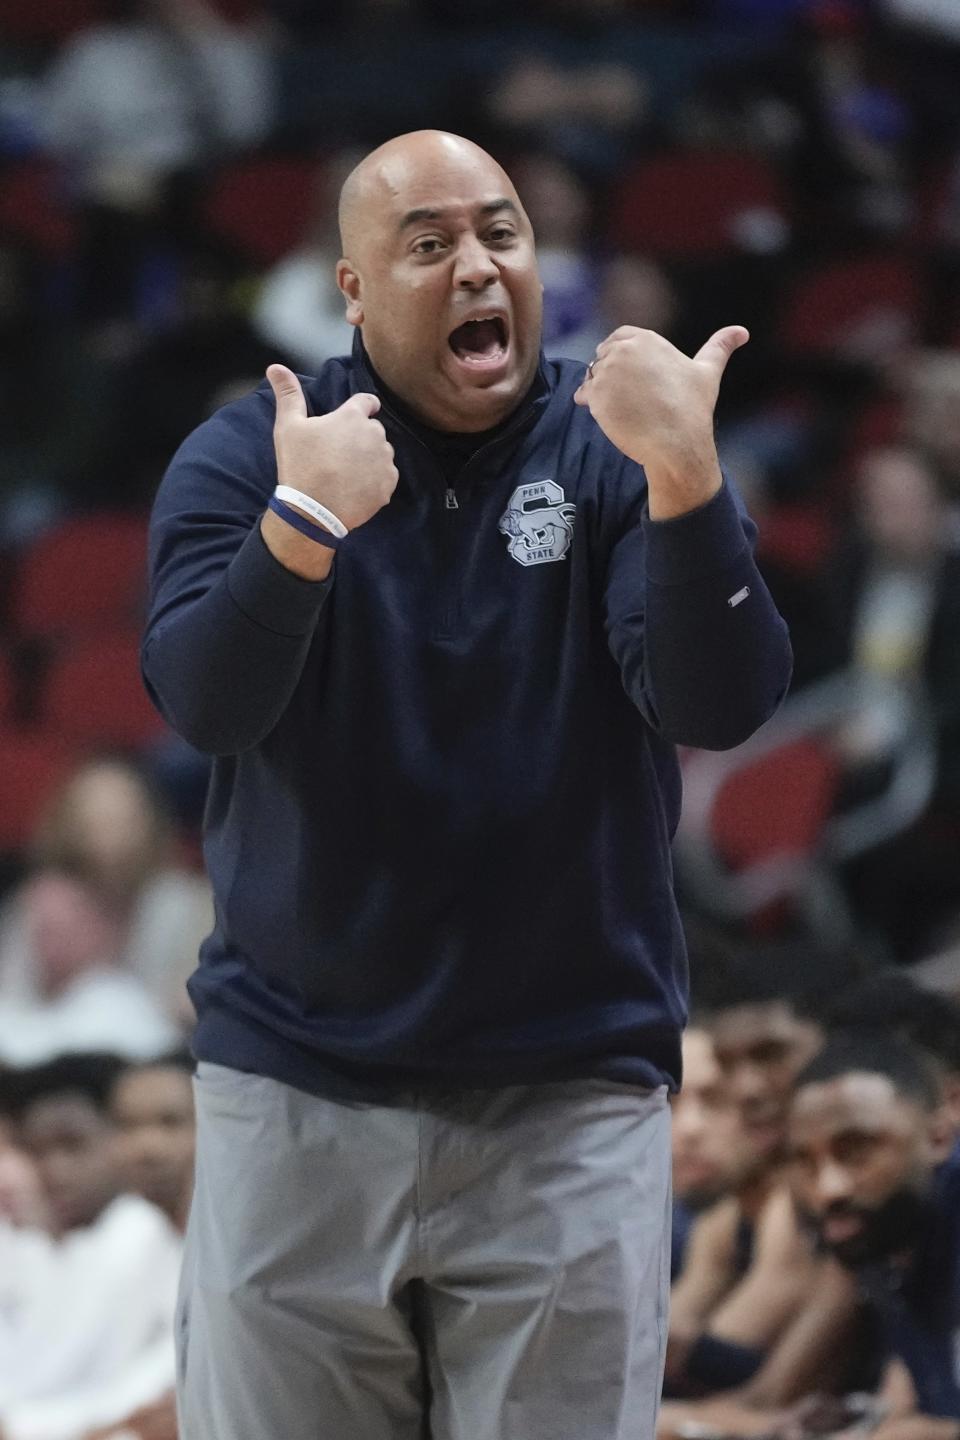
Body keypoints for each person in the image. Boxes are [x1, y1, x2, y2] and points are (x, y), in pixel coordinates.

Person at [142, 129, 792, 1440]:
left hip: (566, 1095)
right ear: (354, 289)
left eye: (501, 233)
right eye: (429, 245)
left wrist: (689, 478)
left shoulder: (619, 450)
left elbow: (717, 702)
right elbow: (207, 705)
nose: (478, 266)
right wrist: (303, 529)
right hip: (298, 1090)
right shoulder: (253, 455)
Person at [787, 1029, 960, 1439]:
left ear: (939, 1137)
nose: (829, 1189)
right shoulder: (884, 1240)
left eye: (856, 1151)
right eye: (805, 1162)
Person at [0, 1053, 183, 1440]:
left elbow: (160, 1378)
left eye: (73, 1145)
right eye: (38, 1151)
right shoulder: (58, 1243)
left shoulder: (135, 1229)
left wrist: (25, 1425)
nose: (55, 1169)